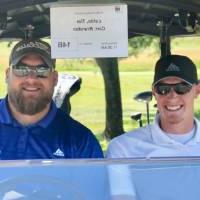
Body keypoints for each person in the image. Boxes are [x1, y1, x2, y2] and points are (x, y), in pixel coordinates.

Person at [0, 39, 103, 159]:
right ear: (7, 75)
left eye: (42, 70)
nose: (32, 79)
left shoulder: (80, 140)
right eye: (22, 69)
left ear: (54, 79)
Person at [107, 54, 200, 158]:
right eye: (163, 89)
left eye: (182, 88)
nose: (172, 96)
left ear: (197, 90)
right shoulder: (124, 148)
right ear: (154, 92)